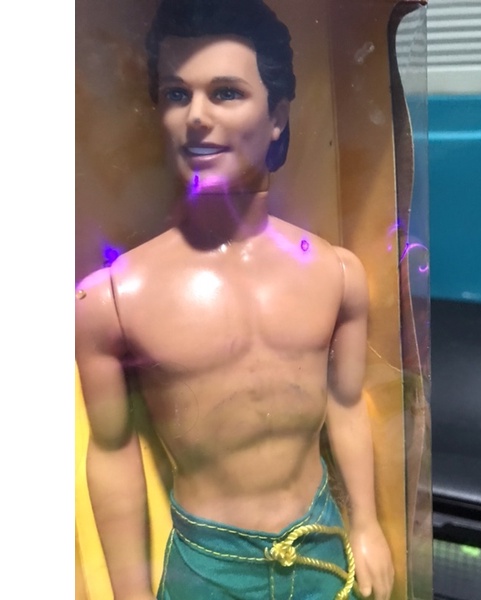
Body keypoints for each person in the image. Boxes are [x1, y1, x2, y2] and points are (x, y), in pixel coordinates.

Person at [75, 1, 394, 598]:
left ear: (277, 116)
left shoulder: (337, 274)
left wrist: (369, 525)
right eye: (176, 94)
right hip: (208, 568)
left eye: (225, 92)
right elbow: (112, 450)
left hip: (325, 553)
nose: (196, 116)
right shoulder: (111, 298)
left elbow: (348, 402)